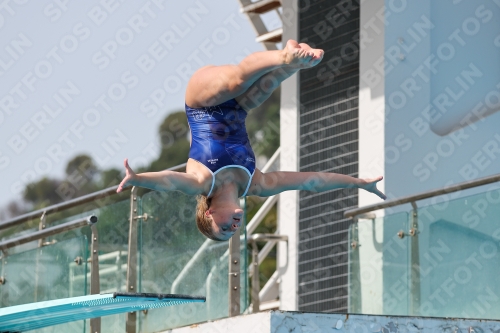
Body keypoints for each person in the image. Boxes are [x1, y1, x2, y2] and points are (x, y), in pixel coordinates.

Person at [117, 40, 386, 241]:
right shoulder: (255, 184)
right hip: (238, 108)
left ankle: (284, 55)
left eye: (224, 228)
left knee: (236, 81)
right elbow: (310, 181)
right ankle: (292, 58)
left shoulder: (202, 181)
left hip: (202, 101)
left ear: (208, 213)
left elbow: (169, 181)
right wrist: (358, 183)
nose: (234, 227)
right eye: (232, 232)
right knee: (265, 88)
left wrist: (137, 179)